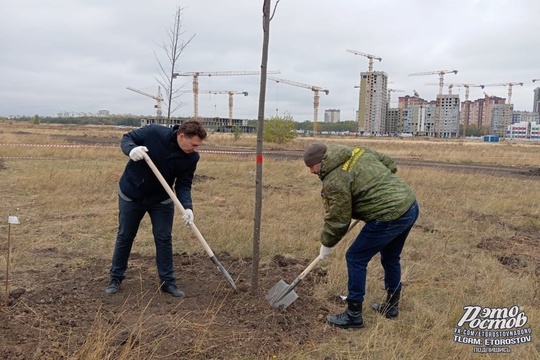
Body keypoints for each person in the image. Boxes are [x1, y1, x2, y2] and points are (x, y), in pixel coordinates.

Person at [303, 142, 419, 329]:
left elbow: (338, 219)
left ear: (321, 161)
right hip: (409, 205)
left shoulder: (335, 180)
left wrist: (327, 244)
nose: (311, 172)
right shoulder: (358, 151)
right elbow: (390, 163)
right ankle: (391, 307)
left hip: (389, 215)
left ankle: (353, 316)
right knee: (391, 257)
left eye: (311, 167)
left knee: (355, 257)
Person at [105, 119, 208, 298]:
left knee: (163, 238)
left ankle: (168, 282)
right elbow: (127, 138)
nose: (195, 148)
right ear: (182, 136)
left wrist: (187, 208)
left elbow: (183, 185)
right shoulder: (153, 133)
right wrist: (131, 149)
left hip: (161, 199)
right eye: (193, 144)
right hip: (132, 194)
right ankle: (115, 278)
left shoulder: (191, 158)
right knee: (125, 236)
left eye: (198, 146)